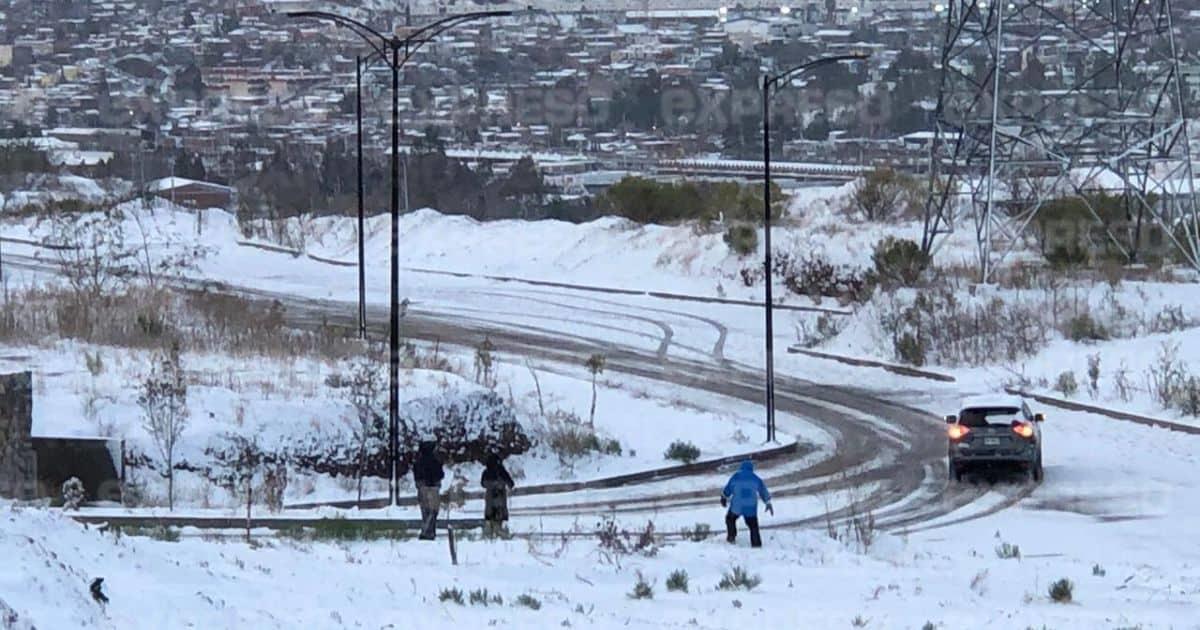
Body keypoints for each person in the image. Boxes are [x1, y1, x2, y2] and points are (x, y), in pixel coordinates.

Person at [721, 459, 773, 548]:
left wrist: (724, 497)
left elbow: (728, 488)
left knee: (730, 519)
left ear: (741, 467)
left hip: (737, 506)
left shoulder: (736, 476)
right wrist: (768, 502)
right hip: (751, 507)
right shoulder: (755, 478)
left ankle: (731, 537)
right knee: (753, 525)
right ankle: (756, 544)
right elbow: (763, 490)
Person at [413, 441, 445, 540]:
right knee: (433, 511)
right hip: (434, 488)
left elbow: (416, 475)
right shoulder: (436, 461)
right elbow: (441, 474)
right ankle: (428, 532)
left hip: (422, 487)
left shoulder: (418, 462)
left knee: (425, 511)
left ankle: (427, 531)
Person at [480, 453, 515, 536]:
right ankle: (501, 532)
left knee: (489, 516)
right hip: (500, 496)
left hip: (490, 499)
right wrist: (502, 484)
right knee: (501, 516)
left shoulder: (486, 471)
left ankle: (489, 533)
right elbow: (511, 484)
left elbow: (482, 483)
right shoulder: (501, 471)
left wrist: (490, 484)